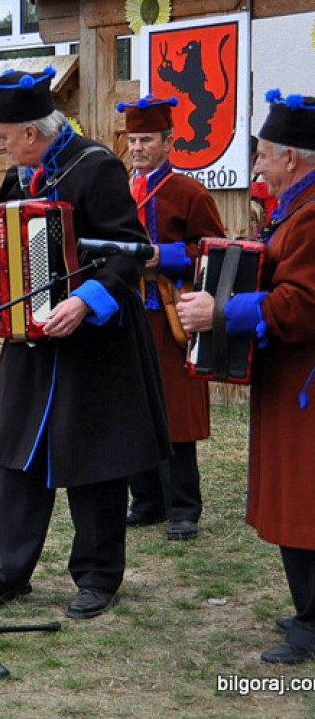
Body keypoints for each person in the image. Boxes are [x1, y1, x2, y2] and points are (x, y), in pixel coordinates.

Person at [0, 68, 169, 619]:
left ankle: (98, 576)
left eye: (5, 137)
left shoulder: (96, 167)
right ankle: (7, 572)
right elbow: (4, 253)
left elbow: (132, 251)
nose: (0, 146)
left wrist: (84, 302)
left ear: (31, 133)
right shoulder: (20, 175)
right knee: (17, 461)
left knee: (94, 462)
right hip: (30, 344)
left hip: (92, 345)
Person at [178, 90, 315, 665]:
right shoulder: (300, 208)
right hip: (291, 383)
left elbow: (304, 303)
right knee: (295, 498)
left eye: (262, 155)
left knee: (305, 501)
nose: (256, 166)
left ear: (294, 158)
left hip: (307, 388)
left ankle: (312, 625)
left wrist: (223, 312)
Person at [117, 96, 227, 540]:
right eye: (133, 139)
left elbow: (216, 249)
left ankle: (183, 507)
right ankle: (146, 500)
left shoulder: (189, 192)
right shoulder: (120, 189)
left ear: (169, 142)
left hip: (171, 317)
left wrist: (169, 256)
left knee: (175, 414)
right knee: (132, 409)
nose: (138, 147)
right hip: (126, 314)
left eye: (147, 140)